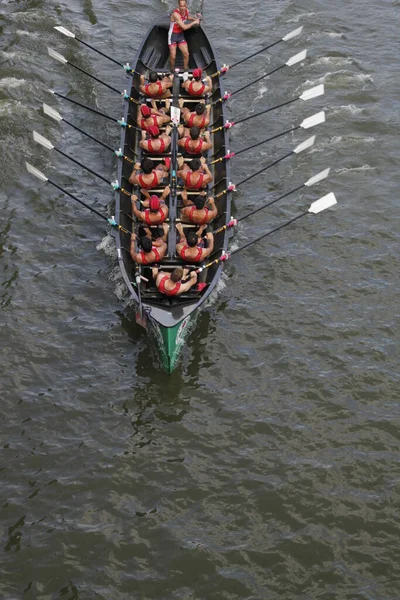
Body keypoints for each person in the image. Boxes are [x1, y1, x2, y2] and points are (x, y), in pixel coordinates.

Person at [169, 0, 200, 72]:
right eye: (181, 6)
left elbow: (187, 17)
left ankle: (186, 70)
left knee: (186, 54)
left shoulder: (186, 11)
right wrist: (194, 22)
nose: (182, 8)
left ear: (186, 6)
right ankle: (171, 70)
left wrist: (194, 19)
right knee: (173, 56)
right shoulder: (175, 14)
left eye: (184, 6)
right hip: (172, 36)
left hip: (180, 35)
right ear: (178, 6)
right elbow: (184, 27)